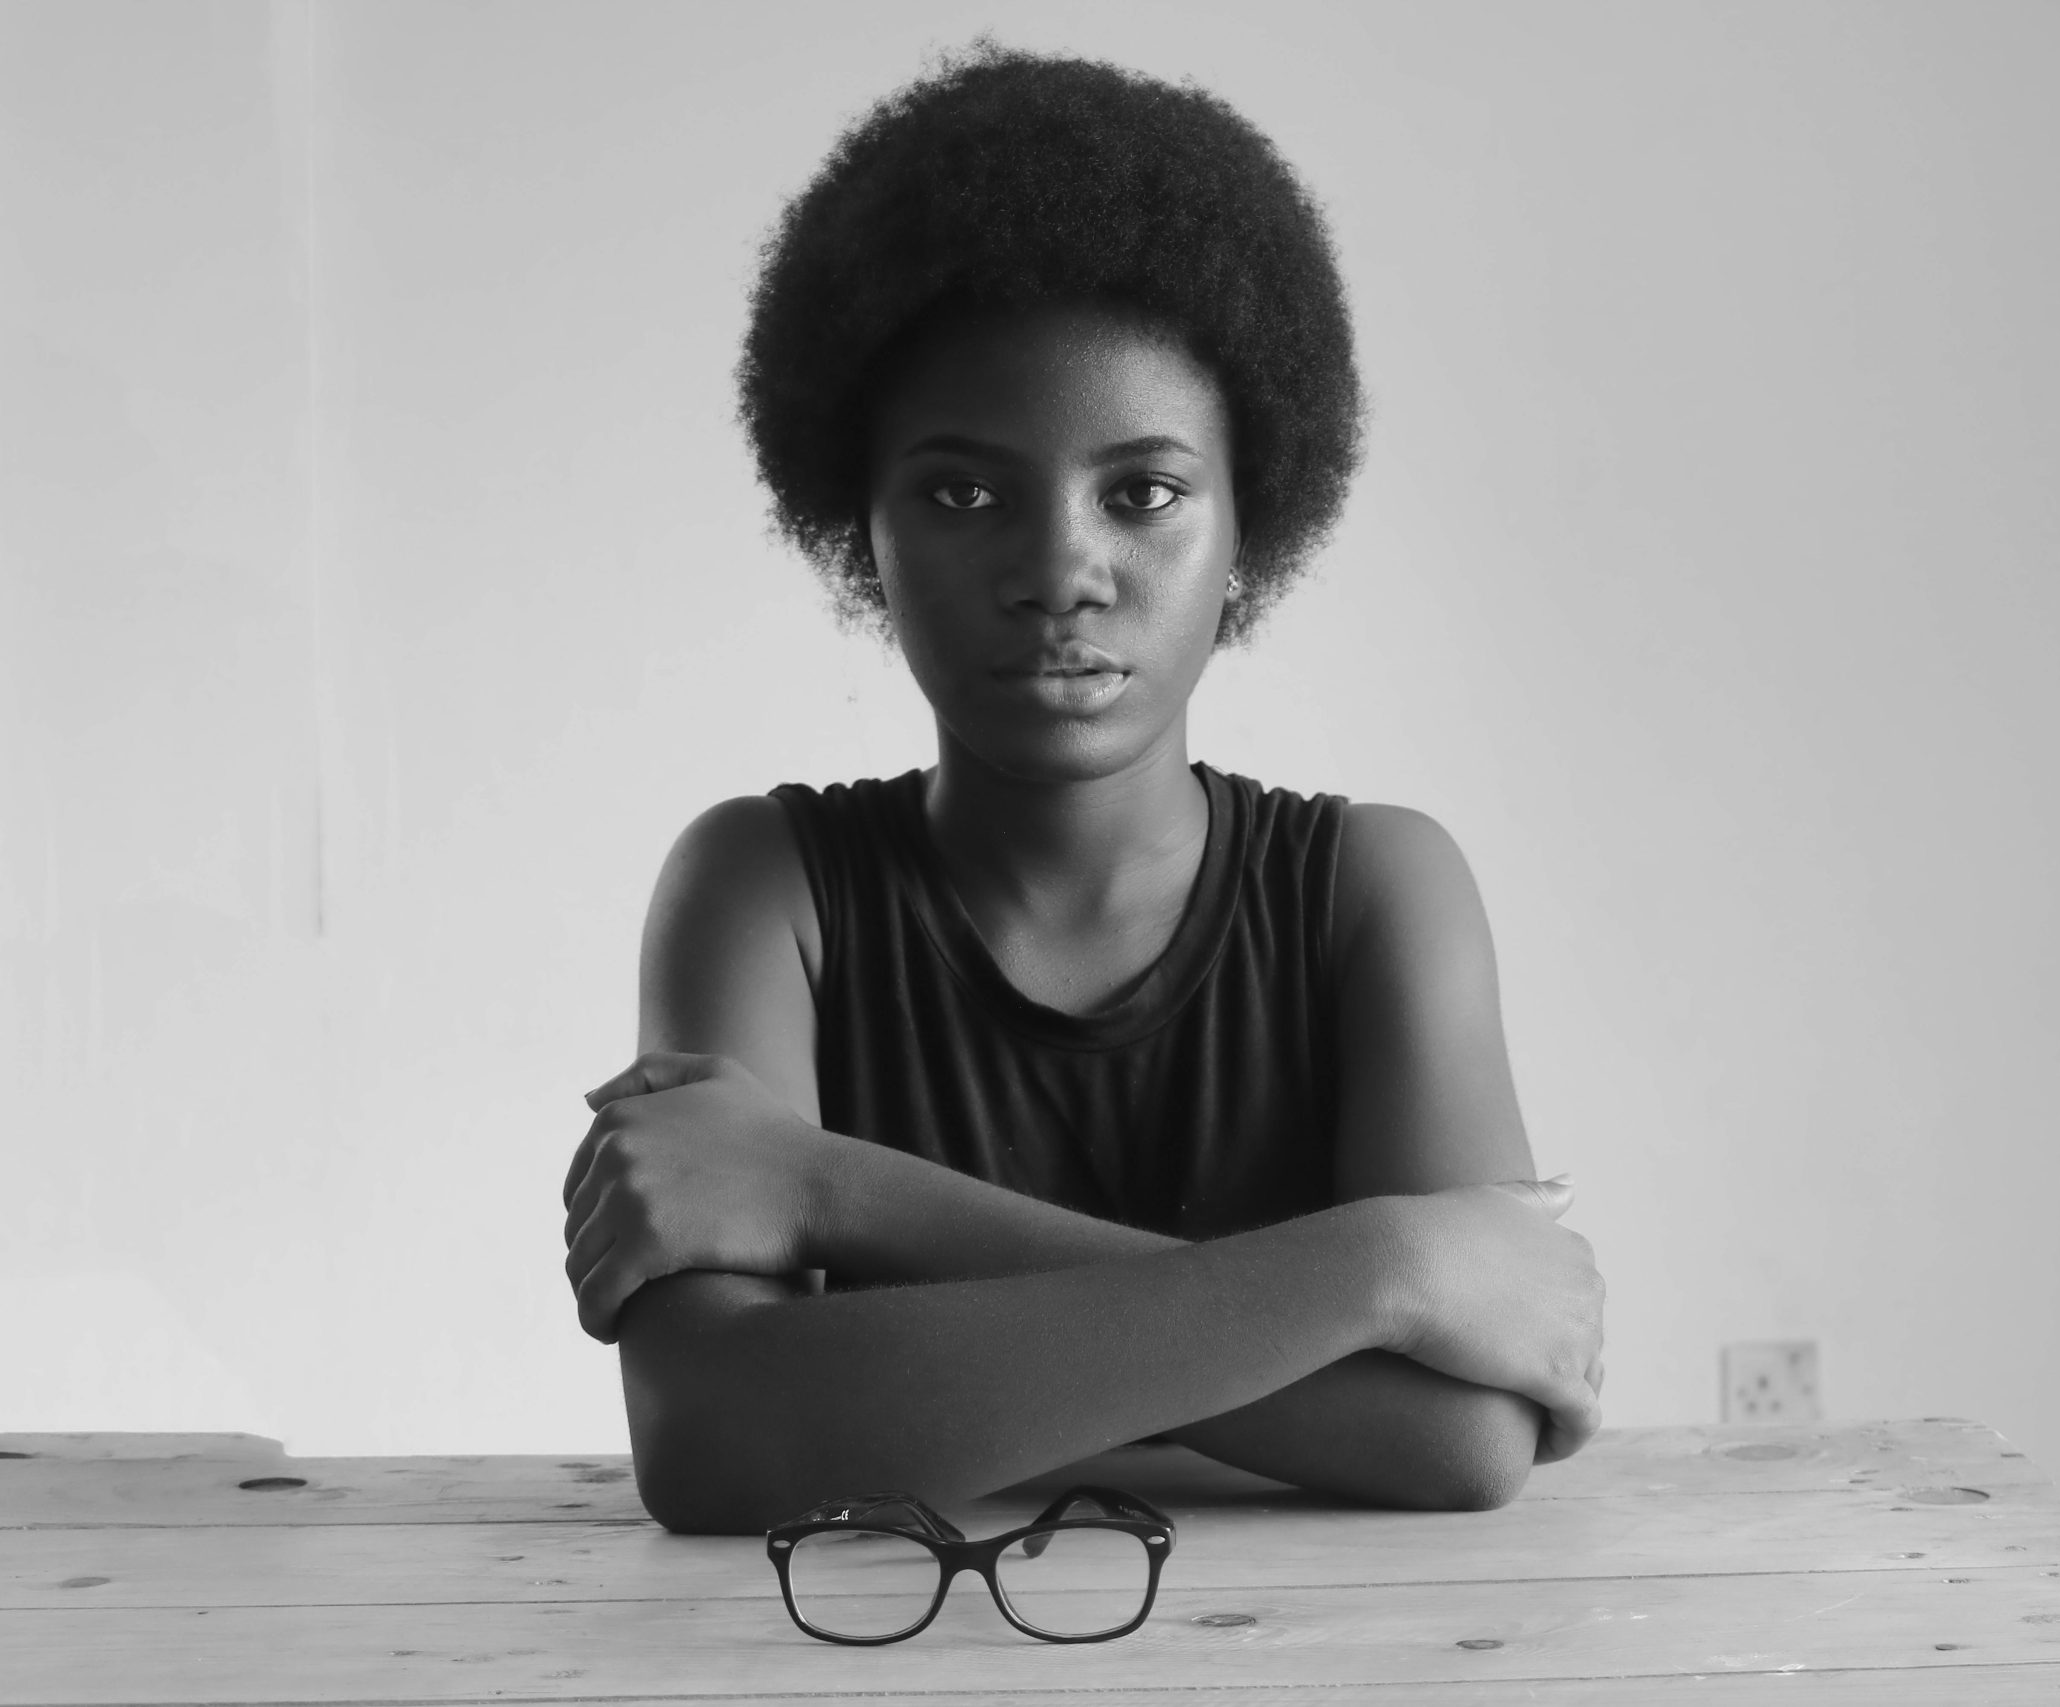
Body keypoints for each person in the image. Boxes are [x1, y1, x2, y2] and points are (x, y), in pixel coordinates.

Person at [558, 43, 1605, 1535]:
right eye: (964, 493)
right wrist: (1385, 1273)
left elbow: (1461, 1443)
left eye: (1145, 492)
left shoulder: (1377, 889)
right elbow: (722, 1441)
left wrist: (838, 1195)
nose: (1060, 570)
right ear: (864, 531)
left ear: (1255, 522)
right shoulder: (763, 890)